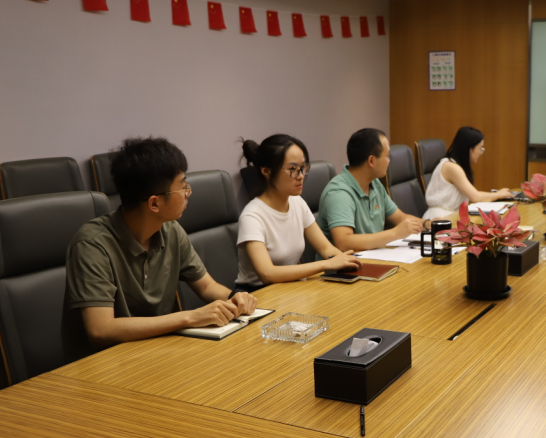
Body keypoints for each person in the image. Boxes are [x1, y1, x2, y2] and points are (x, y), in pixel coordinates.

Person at [66, 137, 258, 348]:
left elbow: (206, 286)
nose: (189, 192)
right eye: (182, 186)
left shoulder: (170, 230)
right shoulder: (92, 245)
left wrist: (235, 298)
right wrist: (190, 317)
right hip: (108, 360)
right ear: (154, 203)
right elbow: (101, 329)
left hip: (159, 348)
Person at [236, 134, 361, 291]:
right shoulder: (252, 216)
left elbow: (325, 249)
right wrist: (326, 264)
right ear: (267, 171)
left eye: (303, 168)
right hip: (258, 295)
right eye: (293, 169)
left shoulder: (297, 202)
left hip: (291, 289)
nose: (301, 176)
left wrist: (346, 261)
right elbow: (267, 274)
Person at [317, 128, 427, 252]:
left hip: (373, 257)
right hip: (347, 263)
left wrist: (428, 224)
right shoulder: (339, 193)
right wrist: (395, 233)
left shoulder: (375, 184)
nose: (389, 161)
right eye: (387, 156)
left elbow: (400, 218)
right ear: (371, 161)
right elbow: (344, 243)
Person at [423, 126, 511, 220]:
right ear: (470, 149)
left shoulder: (454, 165)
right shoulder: (451, 167)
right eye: (480, 148)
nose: (480, 153)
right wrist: (498, 194)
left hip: (450, 215)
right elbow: (476, 197)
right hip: (440, 218)